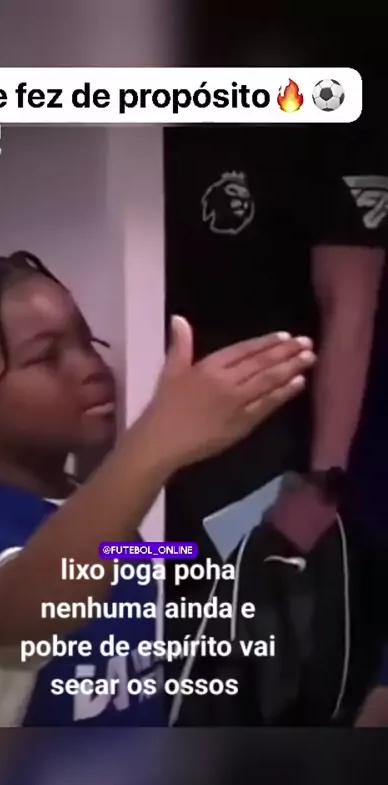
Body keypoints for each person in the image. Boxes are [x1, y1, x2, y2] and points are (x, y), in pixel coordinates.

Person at [0, 250, 314, 727]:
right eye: (47, 356)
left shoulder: (79, 501)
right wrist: (158, 439)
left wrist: (255, 529)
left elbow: (145, 560)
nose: (91, 367)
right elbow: (44, 606)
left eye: (88, 342)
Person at [164, 118, 388, 723]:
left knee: (237, 654)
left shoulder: (339, 122)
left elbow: (350, 307)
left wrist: (322, 481)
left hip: (262, 450)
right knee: (159, 625)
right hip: (157, 426)